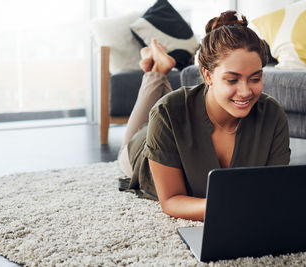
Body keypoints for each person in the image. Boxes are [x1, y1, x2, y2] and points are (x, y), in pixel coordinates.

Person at [118, 10, 291, 221]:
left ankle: (158, 66)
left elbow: (274, 192)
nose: (246, 91)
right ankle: (155, 71)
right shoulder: (166, 113)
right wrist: (227, 207)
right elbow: (171, 200)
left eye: (255, 78)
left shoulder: (272, 115)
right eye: (232, 80)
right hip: (139, 152)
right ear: (208, 75)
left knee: (170, 106)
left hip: (181, 110)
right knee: (150, 122)